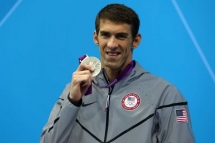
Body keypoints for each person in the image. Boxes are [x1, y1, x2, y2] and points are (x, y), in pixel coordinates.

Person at [40, 3, 195, 143]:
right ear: (96, 37)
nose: (112, 44)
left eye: (121, 36)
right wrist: (73, 102)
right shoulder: (73, 91)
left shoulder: (165, 94)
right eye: (105, 35)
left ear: (136, 40)